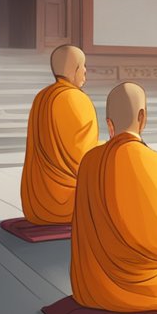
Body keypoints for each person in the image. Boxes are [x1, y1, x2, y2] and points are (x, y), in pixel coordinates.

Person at [71, 83, 157, 312]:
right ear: (142, 117)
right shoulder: (156, 162)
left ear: (109, 123)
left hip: (89, 286)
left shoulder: (89, 161)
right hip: (136, 287)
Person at [20, 44, 98, 226]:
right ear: (74, 69)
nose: (86, 71)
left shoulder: (42, 96)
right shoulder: (76, 99)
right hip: (70, 207)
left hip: (36, 205)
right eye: (83, 65)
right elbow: (83, 159)